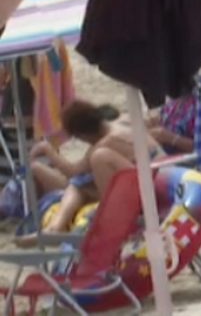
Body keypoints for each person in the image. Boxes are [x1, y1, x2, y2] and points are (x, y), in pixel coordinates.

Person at [27, 101, 139, 238]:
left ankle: (54, 227)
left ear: (83, 135)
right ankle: (54, 227)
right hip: (148, 177)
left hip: (135, 192)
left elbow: (72, 171)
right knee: (77, 183)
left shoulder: (103, 145)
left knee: (76, 185)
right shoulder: (123, 125)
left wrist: (48, 150)